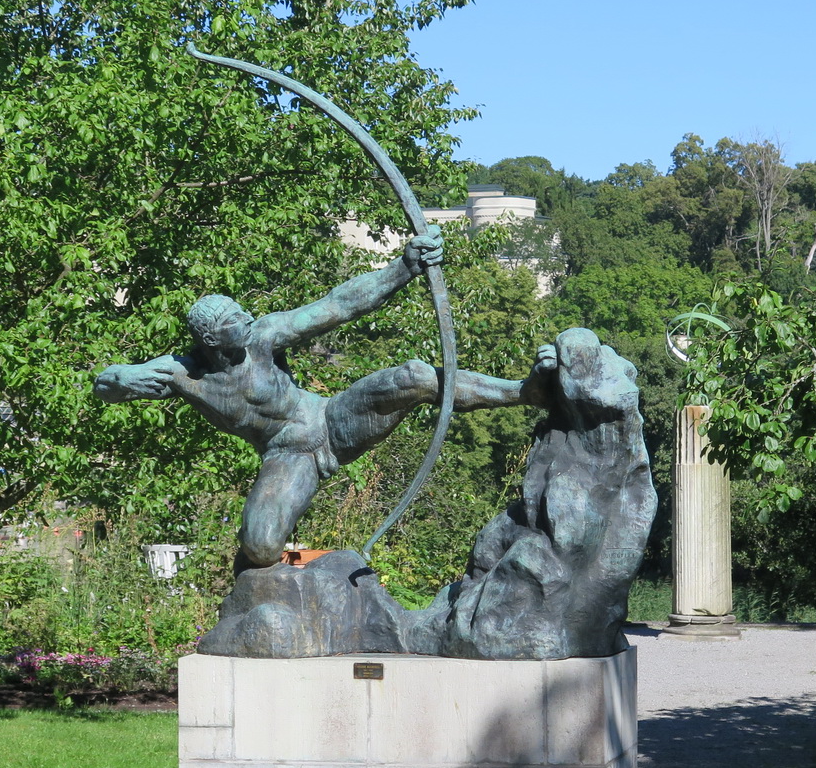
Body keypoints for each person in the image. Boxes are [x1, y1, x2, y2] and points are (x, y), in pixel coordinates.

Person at [94, 229, 552, 568]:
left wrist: (404, 267)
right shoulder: (182, 373)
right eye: (235, 319)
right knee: (260, 546)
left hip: (331, 421)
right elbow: (106, 383)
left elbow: (339, 305)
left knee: (412, 377)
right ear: (212, 339)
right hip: (289, 455)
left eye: (242, 311)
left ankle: (523, 391)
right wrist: (125, 379)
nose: (247, 317)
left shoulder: (263, 336)